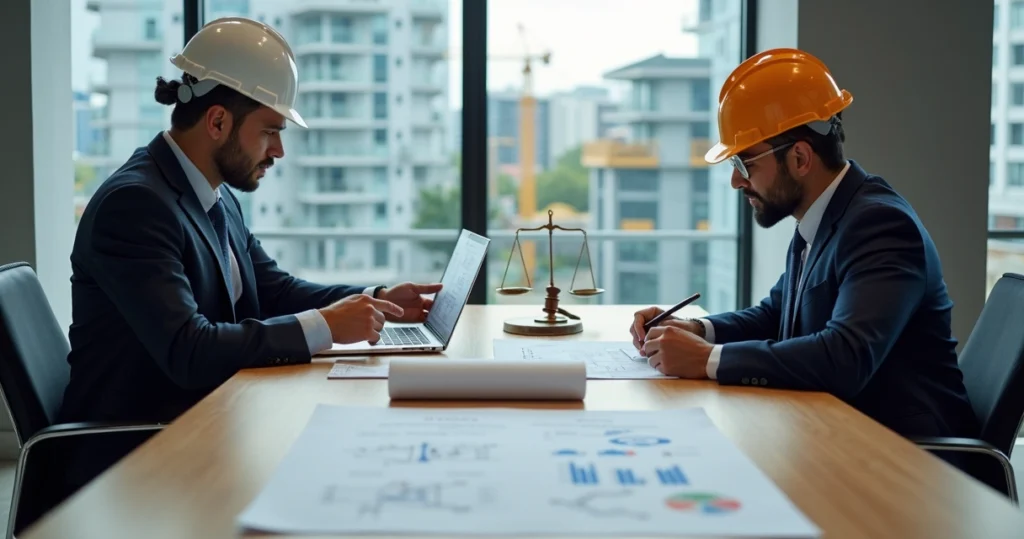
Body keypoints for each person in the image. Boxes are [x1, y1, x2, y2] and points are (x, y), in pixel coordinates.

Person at [58, 17, 441, 489]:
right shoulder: (135, 205)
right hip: (133, 458)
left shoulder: (213, 195)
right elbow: (189, 350)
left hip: (203, 420)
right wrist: (325, 325)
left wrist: (376, 297)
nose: (278, 150)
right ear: (218, 121)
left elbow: (274, 289)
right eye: (269, 131)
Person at [630, 48, 978, 442]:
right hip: (840, 435)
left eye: (745, 164)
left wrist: (708, 360)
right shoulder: (821, 219)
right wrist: (696, 329)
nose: (737, 182)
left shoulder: (881, 225)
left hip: (910, 460)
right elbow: (776, 316)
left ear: (799, 157)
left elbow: (845, 357)